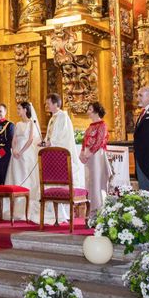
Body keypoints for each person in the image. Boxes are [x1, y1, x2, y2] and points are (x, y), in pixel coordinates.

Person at [0, 101, 41, 223]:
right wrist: (14, 150)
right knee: (15, 177)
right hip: (15, 154)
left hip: (26, 154)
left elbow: (31, 139)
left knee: (26, 178)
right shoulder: (18, 124)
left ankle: (25, 208)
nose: (18, 111)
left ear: (26, 110)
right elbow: (14, 139)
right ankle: (11, 207)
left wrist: (21, 151)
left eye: (19, 109)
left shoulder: (32, 123)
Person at [43, 93, 86, 223]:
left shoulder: (63, 116)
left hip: (60, 154)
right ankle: (52, 208)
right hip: (52, 153)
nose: (47, 105)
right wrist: (45, 142)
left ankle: (63, 211)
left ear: (56, 104)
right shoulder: (52, 118)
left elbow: (62, 136)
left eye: (48, 103)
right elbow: (50, 135)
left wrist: (51, 142)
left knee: (60, 183)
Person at [79, 101, 111, 216]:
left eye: (90, 110)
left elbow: (100, 141)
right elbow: (84, 141)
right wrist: (82, 152)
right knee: (90, 181)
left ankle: (99, 211)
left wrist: (90, 153)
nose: (88, 112)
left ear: (97, 111)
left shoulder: (102, 125)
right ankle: (92, 210)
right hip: (89, 156)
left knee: (97, 181)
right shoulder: (90, 126)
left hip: (97, 156)